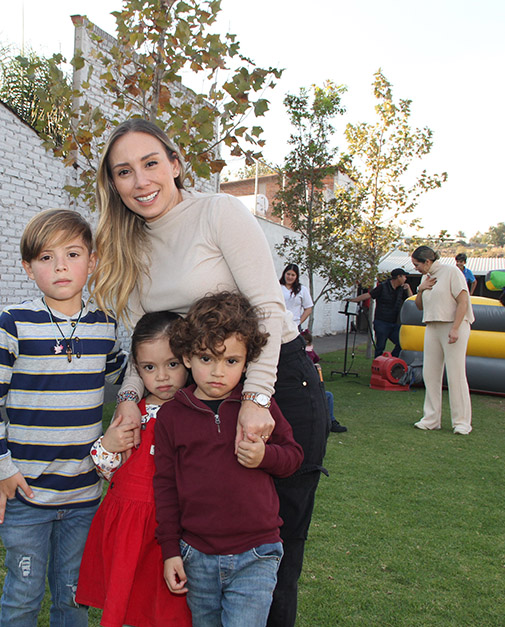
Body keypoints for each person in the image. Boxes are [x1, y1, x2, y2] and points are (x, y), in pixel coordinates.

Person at [90, 118, 330, 626]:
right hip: (199, 398)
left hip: (273, 381)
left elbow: (267, 309)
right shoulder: (127, 244)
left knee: (272, 556)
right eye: (124, 172)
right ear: (113, 184)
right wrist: (130, 397)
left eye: (151, 163)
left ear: (175, 165)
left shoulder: (219, 212)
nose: (141, 180)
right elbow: (139, 341)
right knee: (204, 547)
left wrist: (257, 400)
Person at [0, 209, 126, 627]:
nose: (60, 266)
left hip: (83, 495)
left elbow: (125, 375)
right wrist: (0, 468)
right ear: (28, 268)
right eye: (45, 257)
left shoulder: (104, 325)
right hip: (26, 494)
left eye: (73, 254)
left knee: (74, 597)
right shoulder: (14, 323)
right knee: (23, 597)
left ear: (91, 262)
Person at [155, 291, 303, 626]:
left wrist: (265, 456)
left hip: (257, 552)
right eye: (207, 359)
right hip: (196, 555)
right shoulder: (171, 417)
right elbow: (164, 486)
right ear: (188, 357)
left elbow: (294, 456)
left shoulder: (259, 407)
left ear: (248, 361)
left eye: (231, 361)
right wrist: (170, 551)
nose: (218, 372)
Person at [77, 312, 192, 627]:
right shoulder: (133, 413)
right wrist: (110, 444)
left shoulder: (193, 414)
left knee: (167, 608)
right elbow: (107, 468)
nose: (163, 376)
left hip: (169, 526)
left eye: (172, 364)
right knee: (127, 603)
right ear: (137, 370)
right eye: (150, 368)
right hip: (127, 523)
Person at [410, 245, 475, 435]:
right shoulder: (425, 277)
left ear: (428, 261)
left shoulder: (452, 272)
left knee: (455, 374)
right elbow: (419, 306)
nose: (416, 268)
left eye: (417, 264)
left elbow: (463, 301)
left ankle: (462, 422)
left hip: (453, 326)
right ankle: (431, 418)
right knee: (430, 373)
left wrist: (455, 328)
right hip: (432, 326)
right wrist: (420, 289)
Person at [346, 268, 413, 358]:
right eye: (404, 276)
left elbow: (411, 300)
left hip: (394, 323)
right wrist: (354, 300)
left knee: (402, 343)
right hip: (382, 322)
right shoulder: (383, 287)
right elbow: (369, 295)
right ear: (398, 277)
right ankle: (377, 364)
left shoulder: (401, 289)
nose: (405, 279)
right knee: (380, 347)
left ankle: (391, 360)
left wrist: (408, 289)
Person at [302, 331, 347, 433]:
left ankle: (330, 421)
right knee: (327, 396)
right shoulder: (306, 356)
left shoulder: (302, 356)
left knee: (327, 395)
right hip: (303, 391)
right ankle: (330, 421)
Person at [280, 263, 313, 331]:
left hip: (294, 327)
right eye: (288, 274)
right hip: (279, 325)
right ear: (284, 274)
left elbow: (308, 308)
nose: (290, 277)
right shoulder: (277, 287)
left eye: (293, 275)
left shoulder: (302, 289)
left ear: (296, 276)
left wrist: (298, 322)